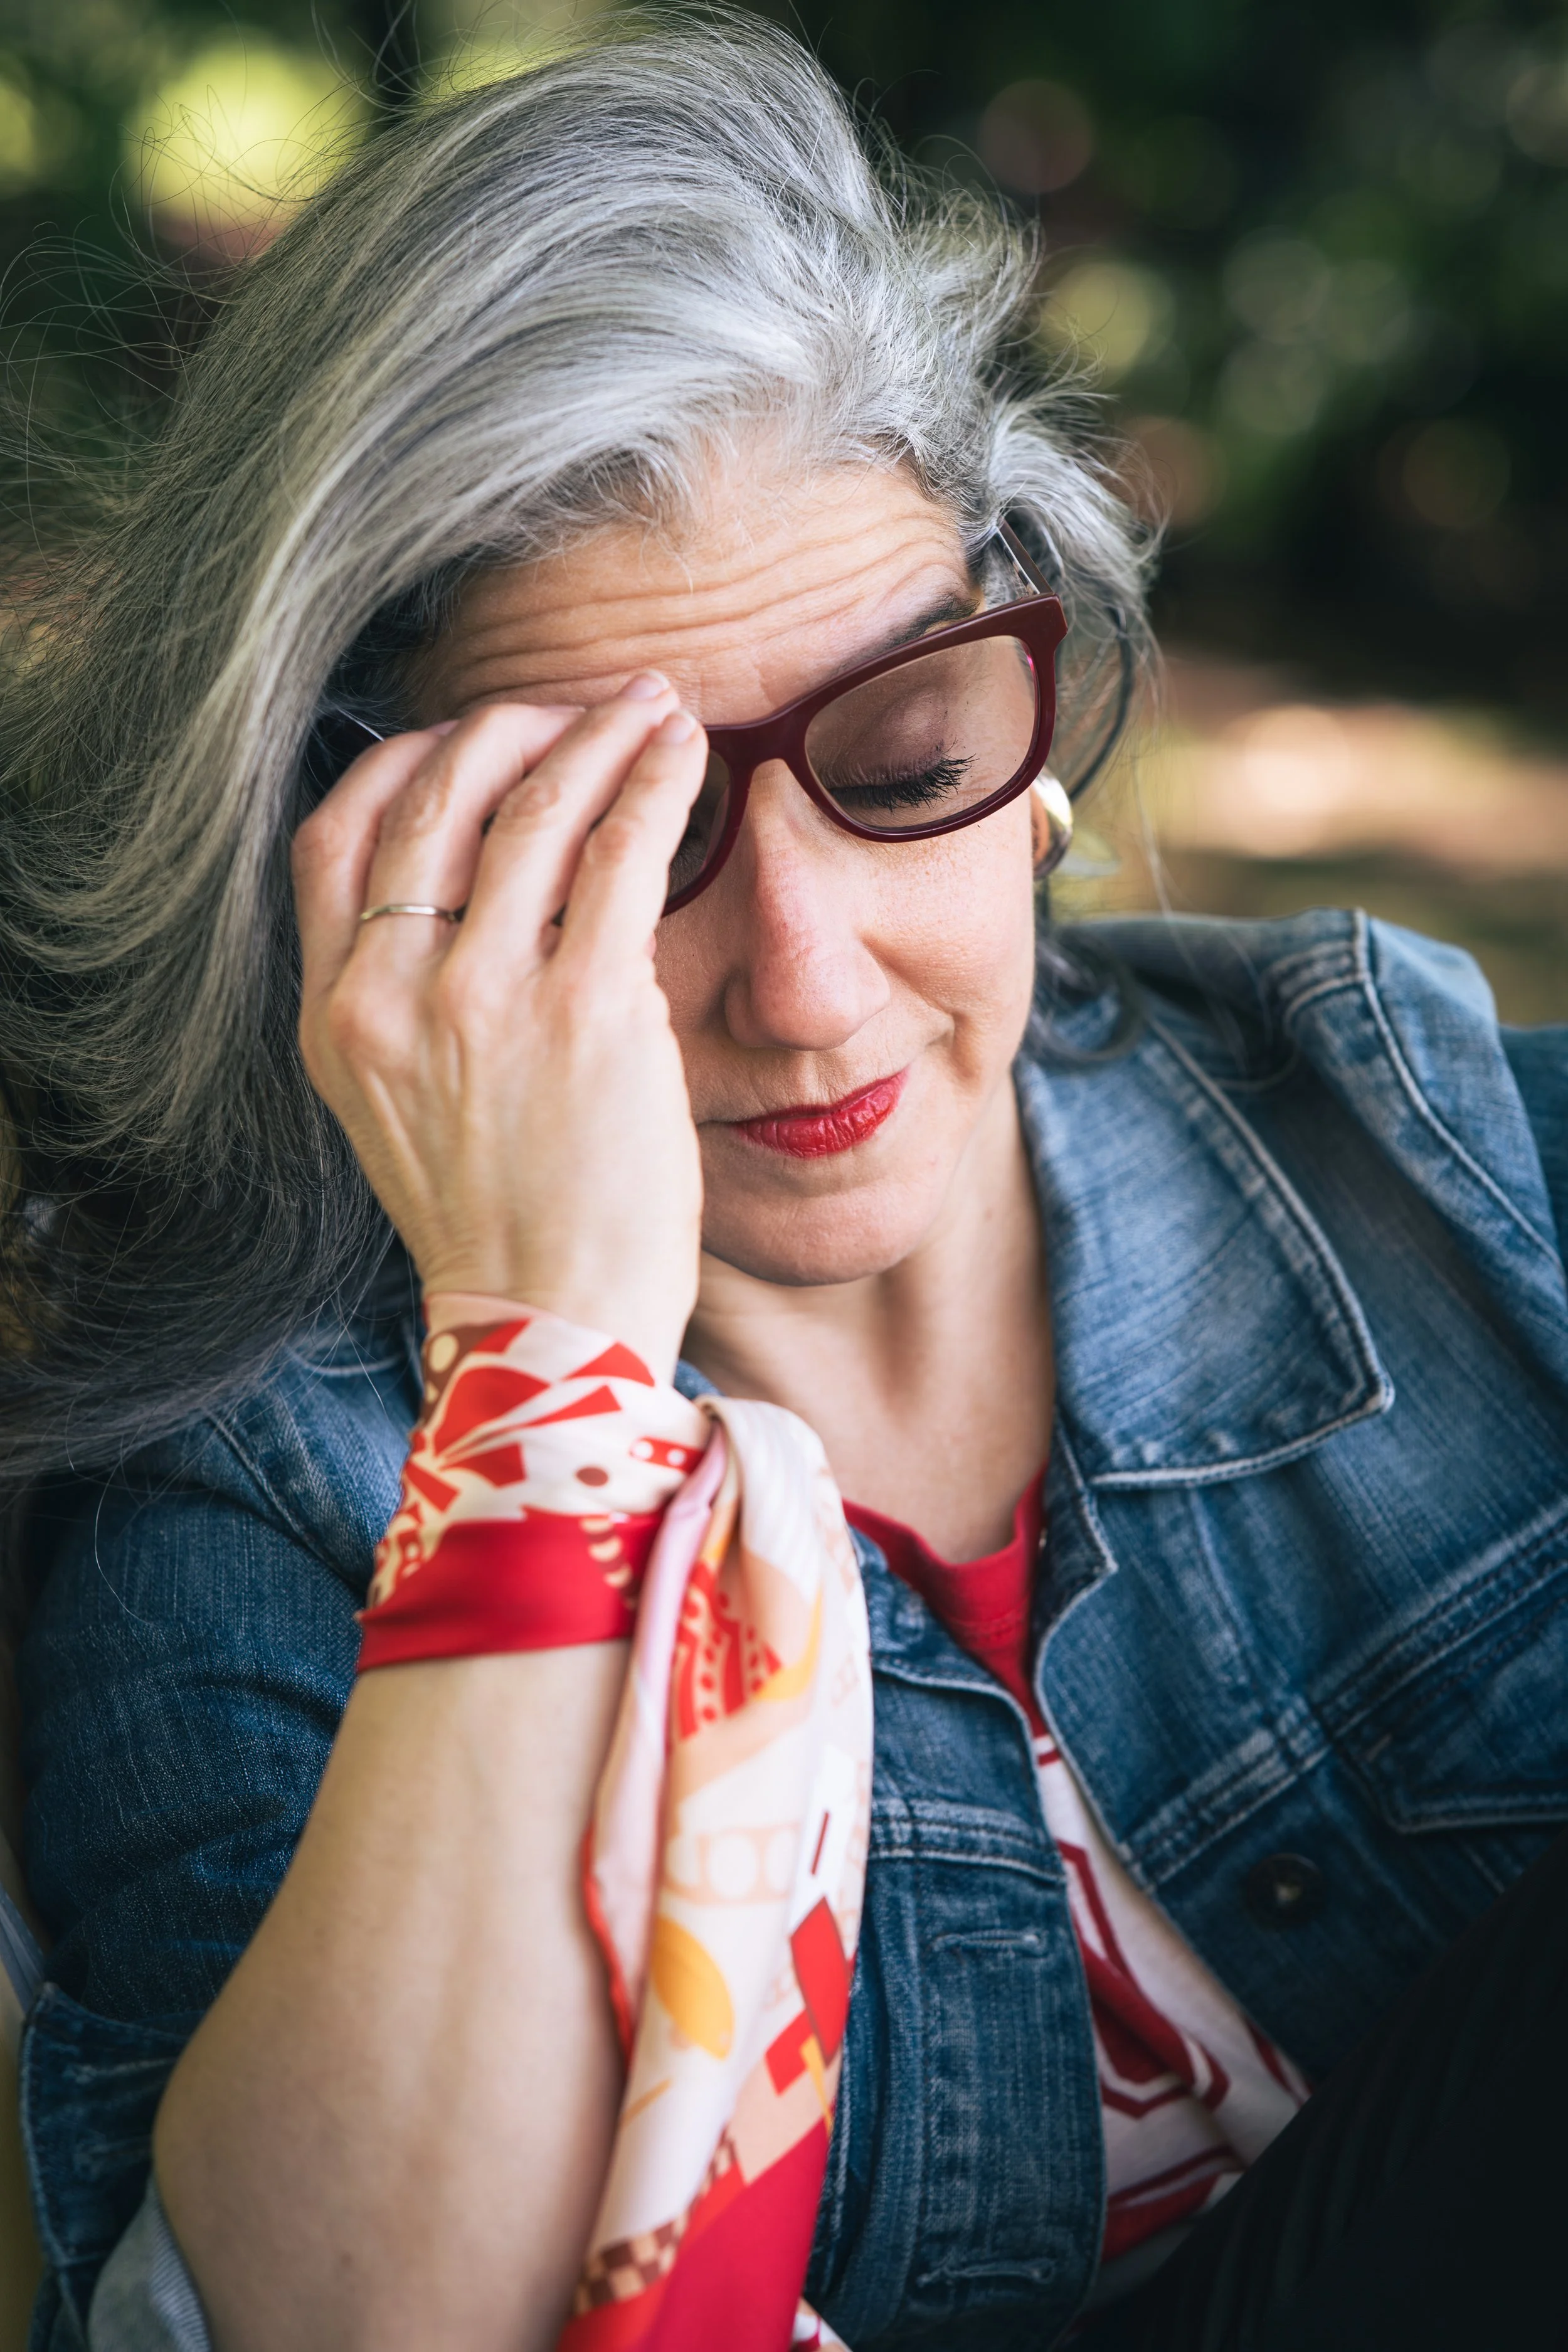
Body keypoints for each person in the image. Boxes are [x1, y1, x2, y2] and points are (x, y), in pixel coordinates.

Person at [3, 17, 1566, 2351]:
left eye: (909, 758)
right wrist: (547, 1365)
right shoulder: (243, 1520)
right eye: (620, 857)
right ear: (352, 904)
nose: (810, 987)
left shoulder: (1430, 1142)